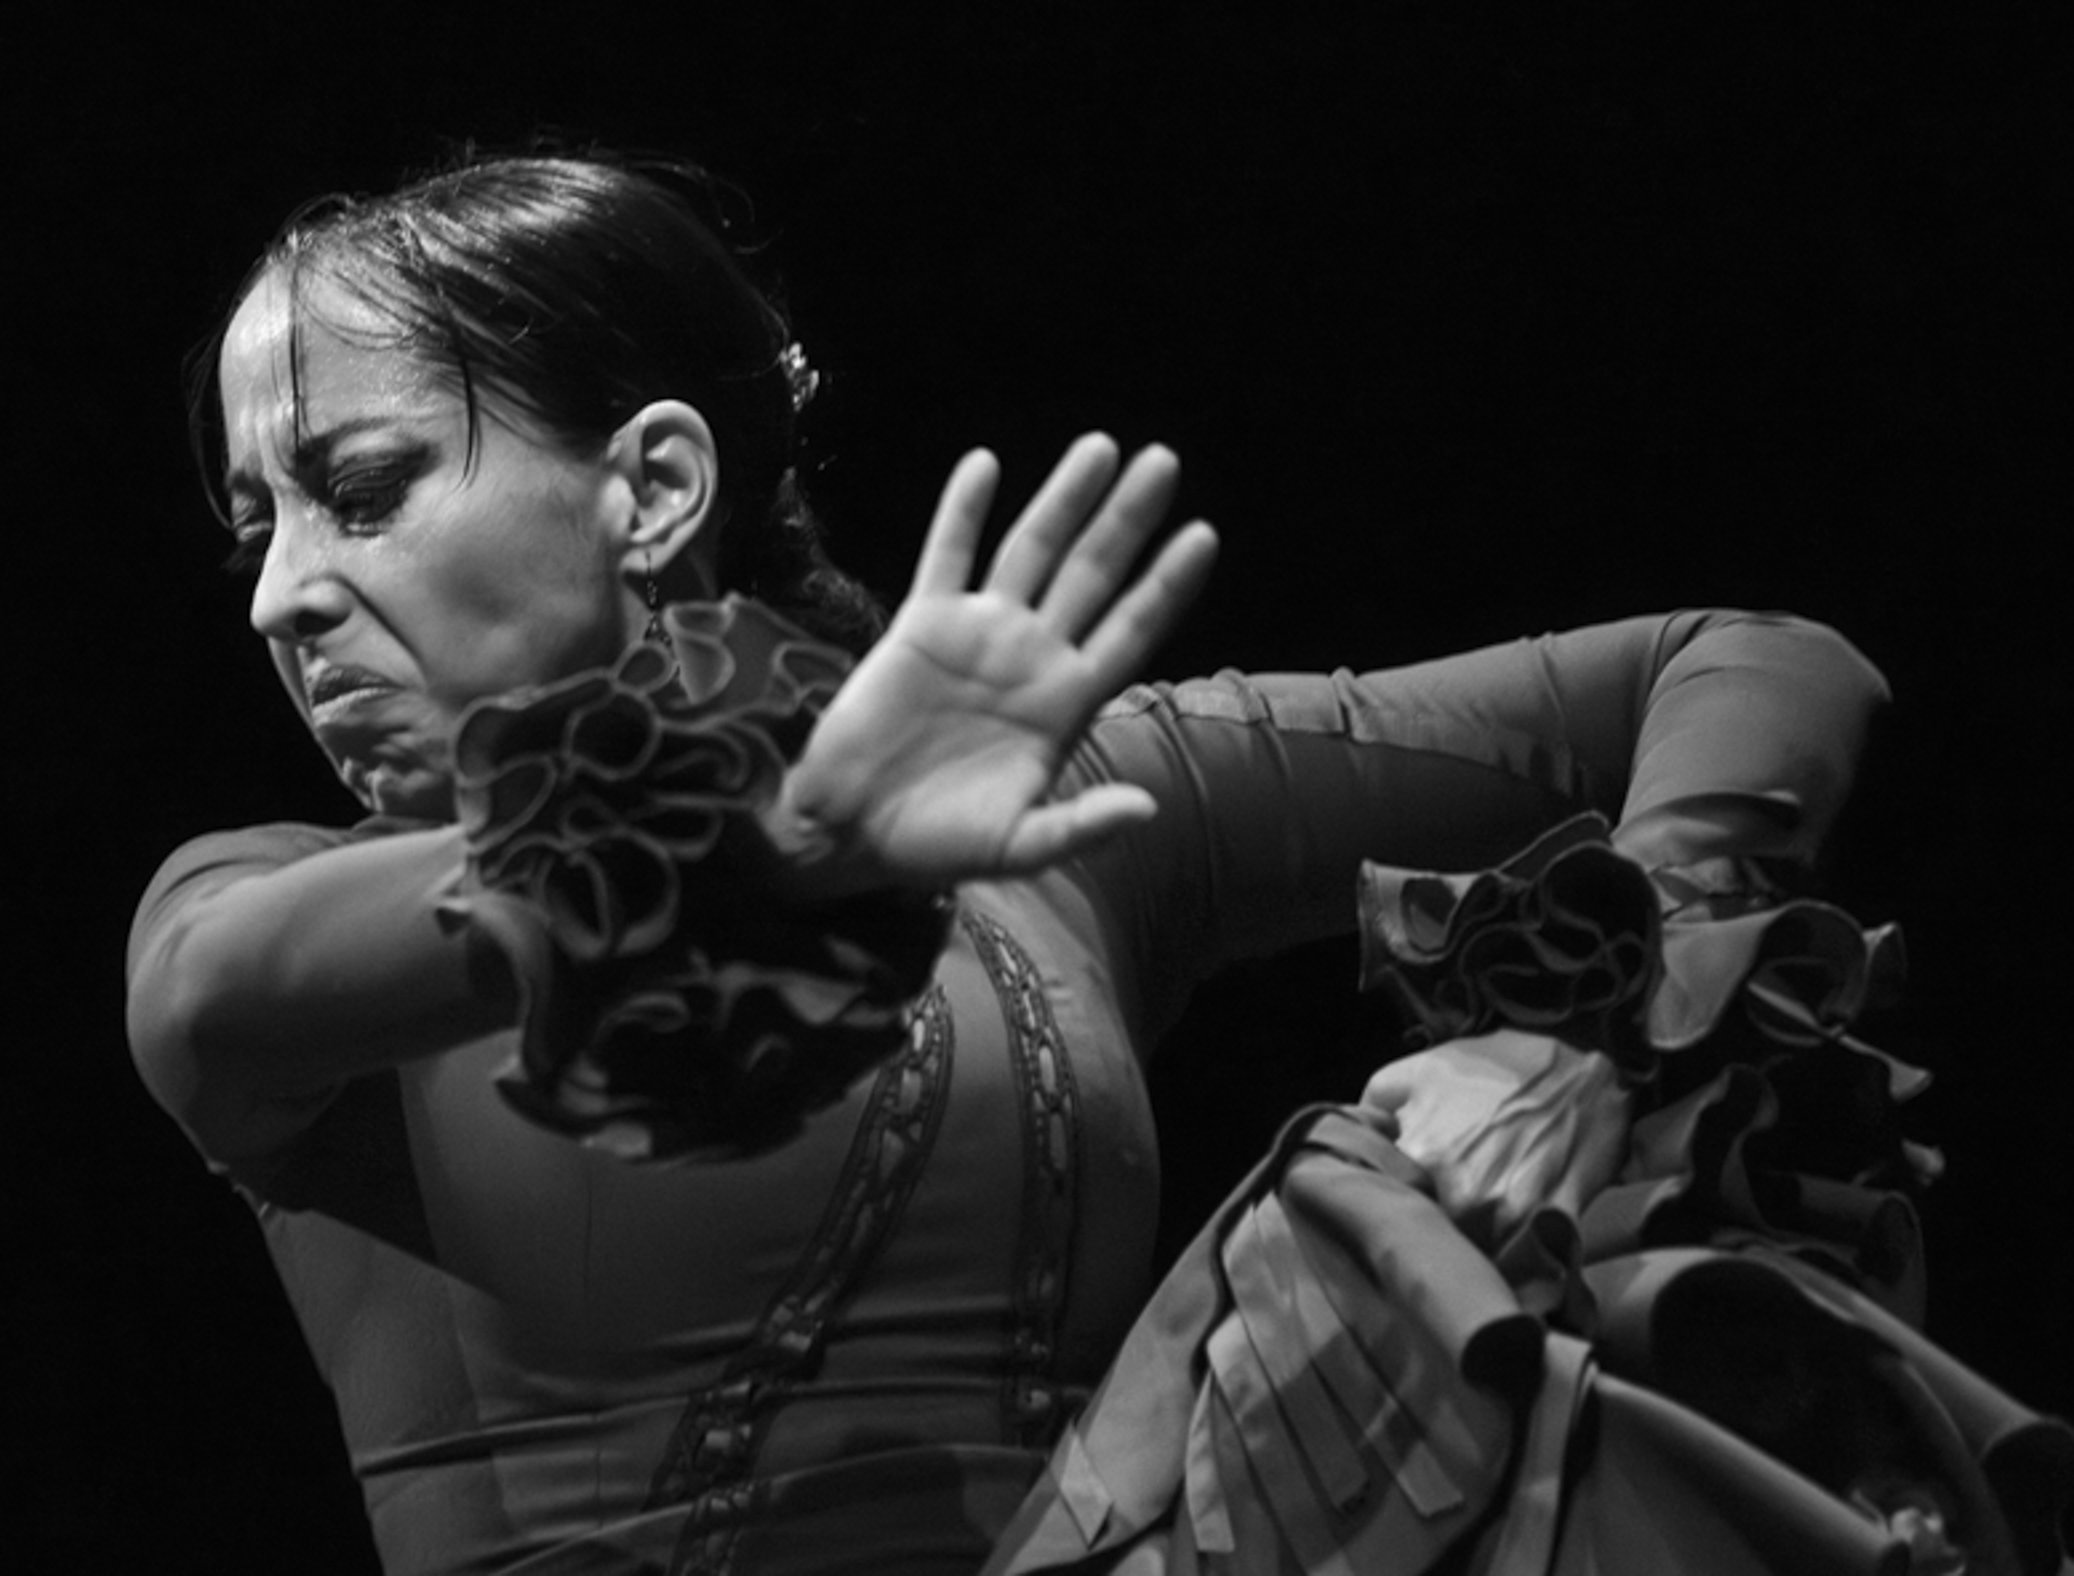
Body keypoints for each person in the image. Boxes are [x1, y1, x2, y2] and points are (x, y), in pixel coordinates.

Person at [127, 153, 2065, 1575]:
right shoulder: (257, 910)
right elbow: (240, 989)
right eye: (254, 533)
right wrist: (777, 834)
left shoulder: (1068, 819)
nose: (290, 595)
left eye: (360, 489)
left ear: (650, 484)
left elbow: (1745, 666)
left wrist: (1575, 1037)